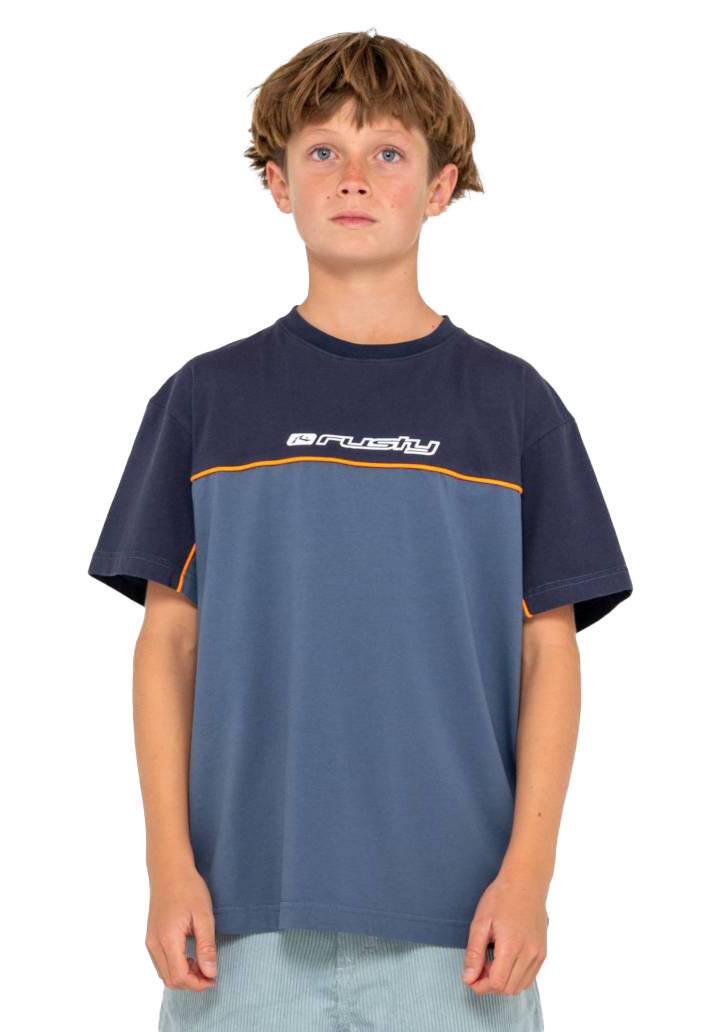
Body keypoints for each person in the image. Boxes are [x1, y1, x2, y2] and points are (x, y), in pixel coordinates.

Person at [88, 28, 633, 1032]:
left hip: (462, 928)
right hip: (240, 921)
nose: (353, 177)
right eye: (321, 151)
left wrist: (529, 879)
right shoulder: (204, 401)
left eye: (387, 151)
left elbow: (548, 654)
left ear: (439, 186)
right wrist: (168, 867)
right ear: (277, 184)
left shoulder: (515, 407)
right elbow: (168, 643)